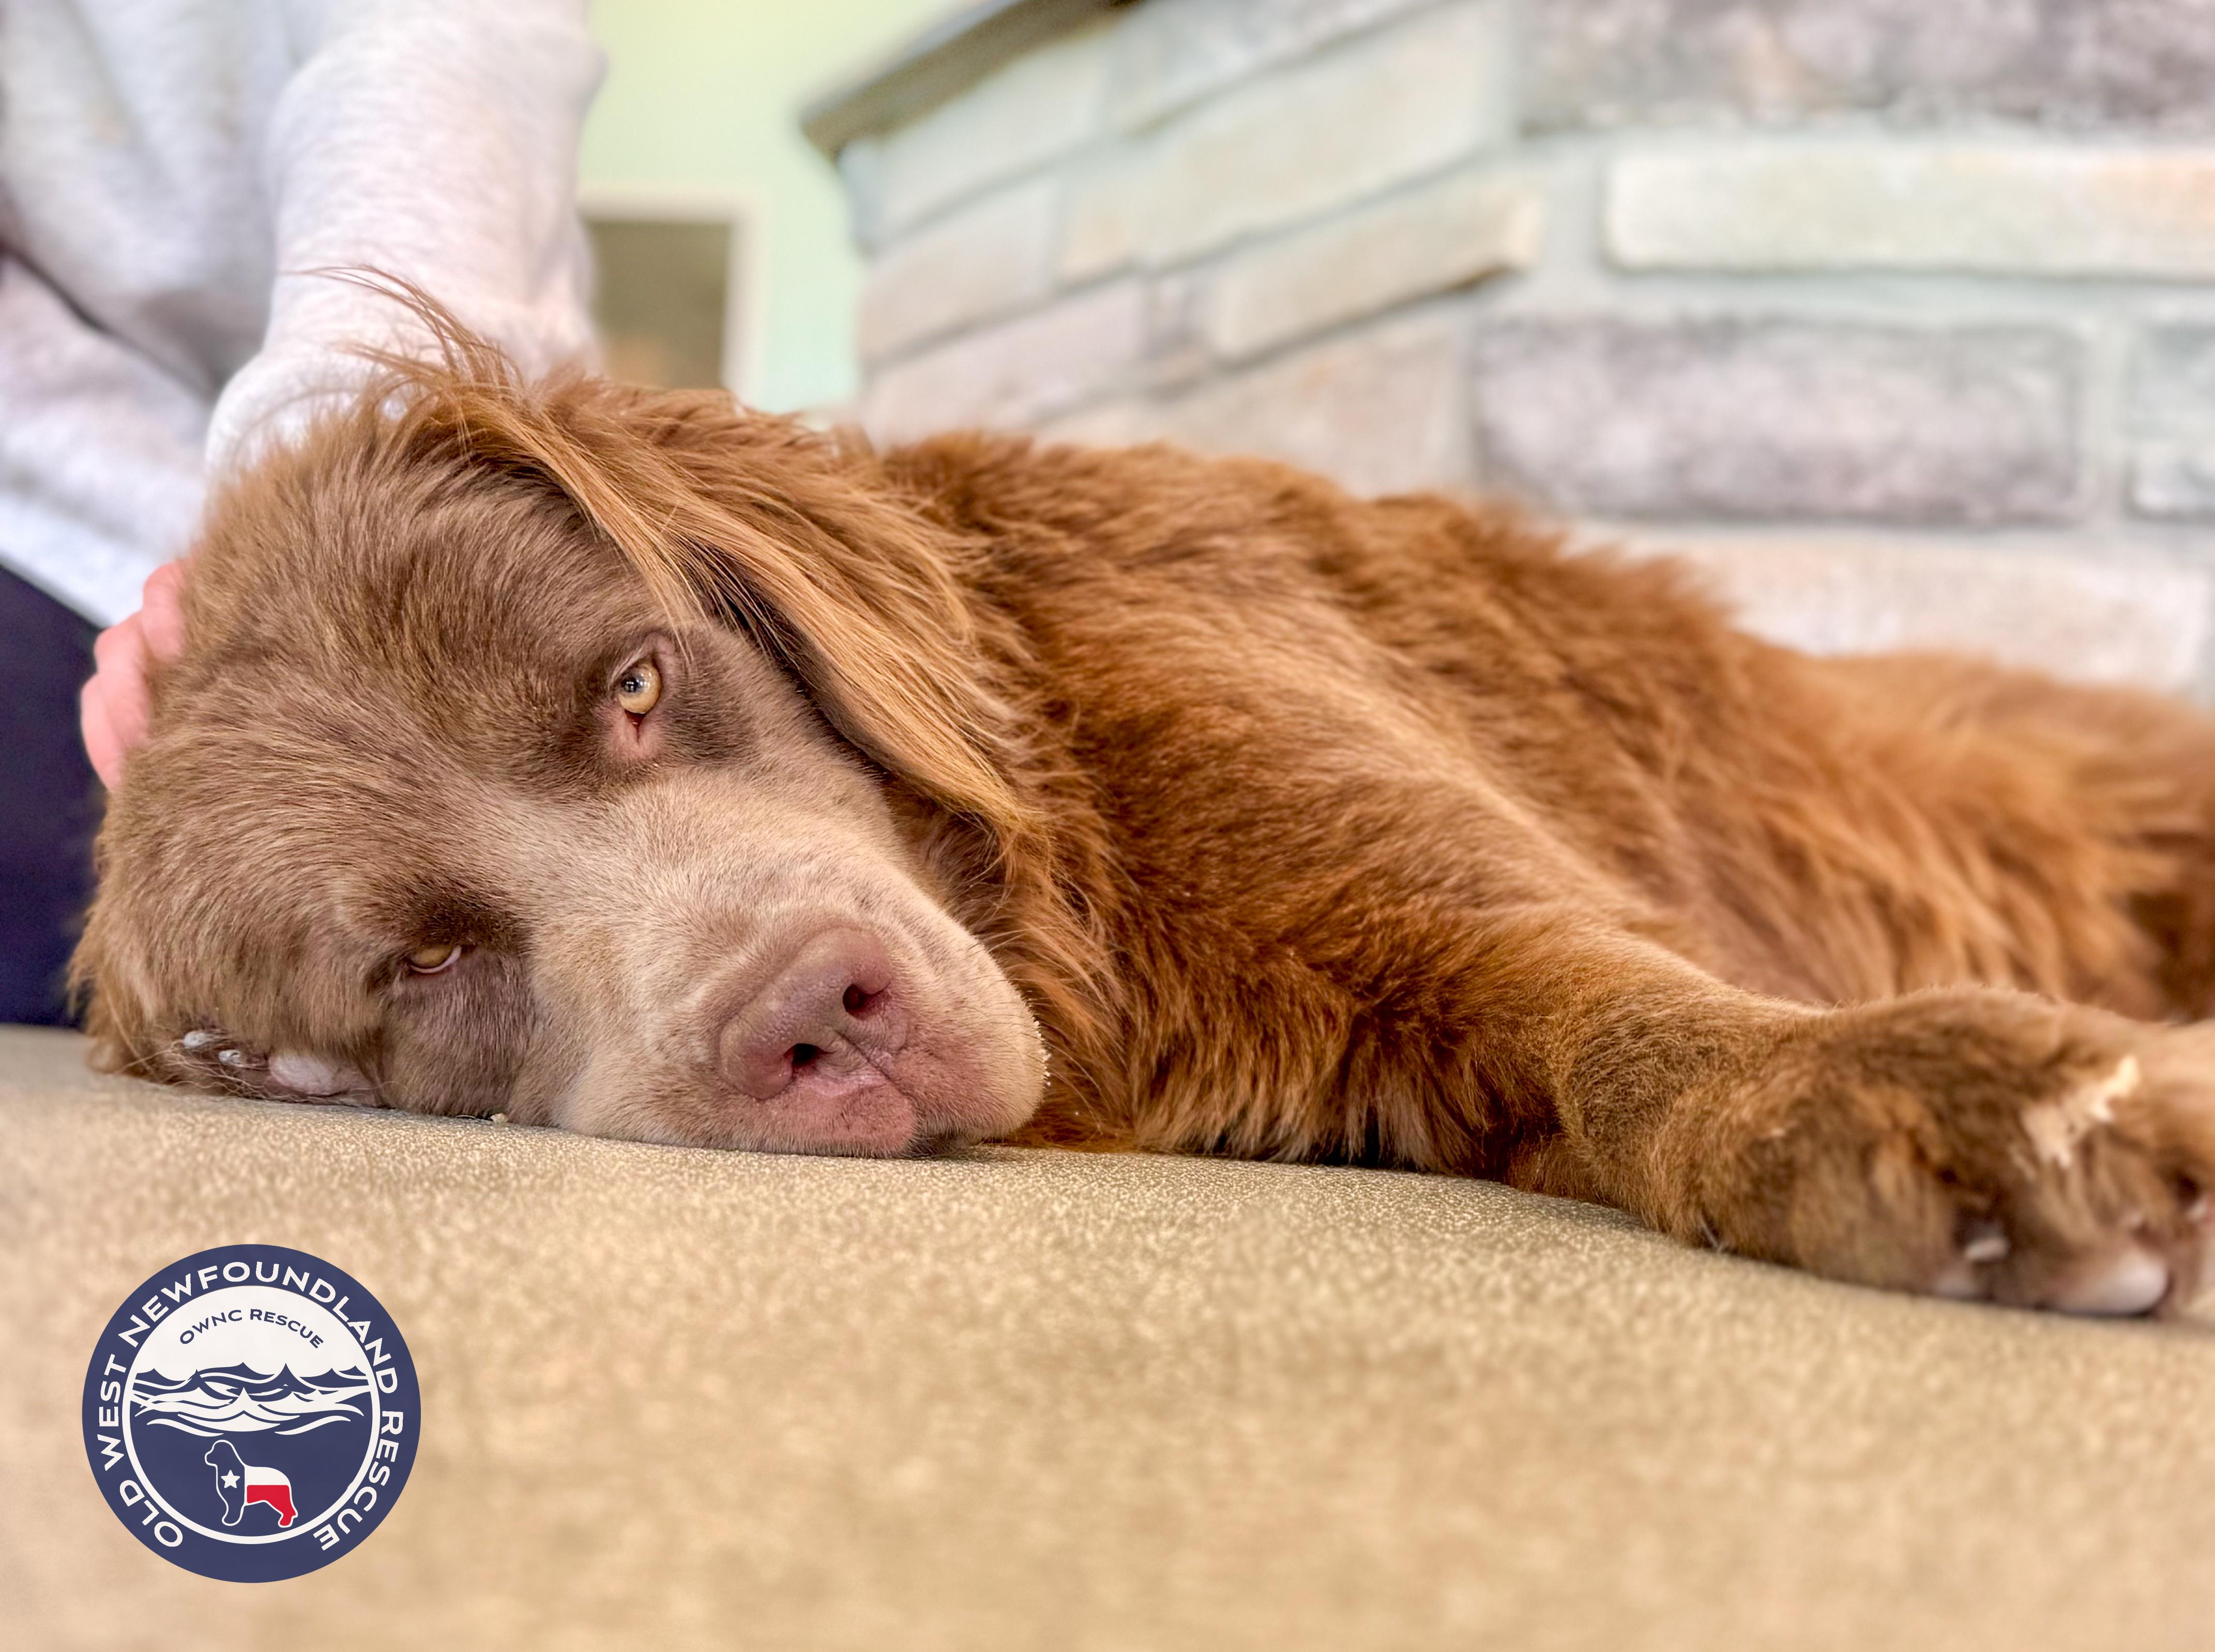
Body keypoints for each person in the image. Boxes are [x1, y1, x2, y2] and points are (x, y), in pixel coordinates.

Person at [1, 0, 605, 1023]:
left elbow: (433, 42)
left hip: (429, 420)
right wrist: (218, 599)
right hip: (74, 472)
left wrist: (350, 481)